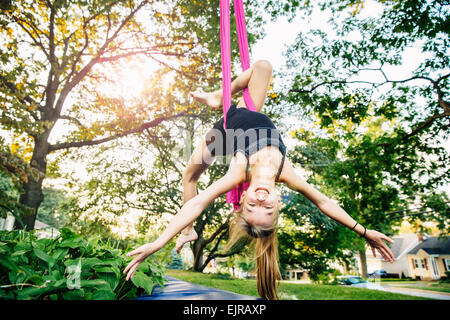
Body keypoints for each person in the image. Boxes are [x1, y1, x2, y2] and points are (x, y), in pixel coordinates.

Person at [123, 60, 395, 300]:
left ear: (241, 200)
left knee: (190, 176)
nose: (261, 201)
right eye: (268, 208)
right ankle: (220, 97)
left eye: (252, 207)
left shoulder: (240, 171)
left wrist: (159, 242)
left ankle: (188, 231)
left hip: (224, 132)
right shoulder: (286, 173)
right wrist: (364, 231)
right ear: (279, 202)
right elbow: (324, 202)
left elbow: (199, 202)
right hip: (246, 109)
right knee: (263, 66)